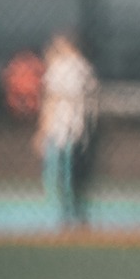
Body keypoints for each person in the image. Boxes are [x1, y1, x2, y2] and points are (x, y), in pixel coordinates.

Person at [34, 32, 97, 224]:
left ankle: (58, 211)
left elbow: (51, 100)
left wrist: (42, 129)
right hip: (76, 125)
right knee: (69, 168)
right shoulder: (85, 68)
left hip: (60, 125)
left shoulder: (60, 67)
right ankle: (70, 210)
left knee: (55, 168)